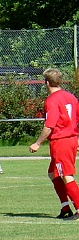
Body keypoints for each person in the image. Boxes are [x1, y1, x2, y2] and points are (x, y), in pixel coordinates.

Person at [29, 68, 79, 219]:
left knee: (66, 175)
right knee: (53, 173)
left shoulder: (52, 100)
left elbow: (50, 125)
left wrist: (37, 143)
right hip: (71, 139)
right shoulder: (71, 97)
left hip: (61, 141)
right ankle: (65, 208)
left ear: (46, 83)